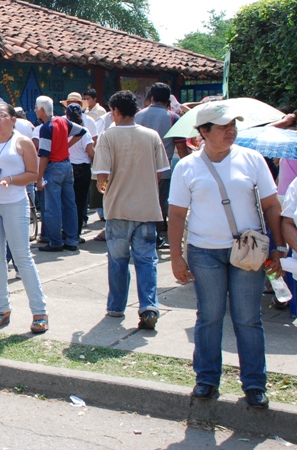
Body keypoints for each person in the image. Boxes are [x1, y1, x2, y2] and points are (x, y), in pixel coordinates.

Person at [168, 103, 284, 409]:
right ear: (204, 132)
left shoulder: (252, 159)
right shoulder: (187, 167)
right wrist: (176, 256)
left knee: (248, 318)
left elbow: (272, 205)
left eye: (233, 125)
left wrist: (279, 247)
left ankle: (254, 383)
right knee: (210, 316)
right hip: (204, 252)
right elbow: (176, 214)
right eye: (223, 127)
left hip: (248, 251)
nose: (231, 131)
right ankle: (206, 379)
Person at [93, 90, 170, 330]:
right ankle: (149, 306)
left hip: (118, 208)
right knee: (146, 261)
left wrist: (104, 188)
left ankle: (116, 306)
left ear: (116, 111)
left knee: (118, 261)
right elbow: (160, 173)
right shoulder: (151, 136)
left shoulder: (107, 136)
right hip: (147, 209)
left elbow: (102, 175)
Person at [0, 101, 49, 332]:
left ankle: (39, 311)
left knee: (22, 257)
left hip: (14, 203)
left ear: (13, 120)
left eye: (2, 115)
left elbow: (33, 174)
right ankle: (1, 308)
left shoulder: (22, 142)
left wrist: (11, 180)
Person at [135, 82, 190, 248]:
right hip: (162, 170)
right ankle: (154, 238)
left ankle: (139, 236)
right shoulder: (173, 118)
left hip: (138, 168)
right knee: (158, 204)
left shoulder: (137, 116)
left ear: (151, 98)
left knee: (140, 202)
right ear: (168, 100)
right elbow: (181, 147)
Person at [34, 95, 86, 252]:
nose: (35, 111)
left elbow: (44, 155)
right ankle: (72, 239)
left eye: (36, 108)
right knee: (70, 204)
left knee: (53, 208)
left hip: (53, 168)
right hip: (66, 165)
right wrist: (66, 145)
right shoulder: (63, 121)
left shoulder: (46, 128)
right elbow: (82, 131)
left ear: (41, 110)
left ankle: (55, 242)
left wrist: (39, 178)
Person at [65, 104, 94, 241]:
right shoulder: (84, 132)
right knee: (80, 203)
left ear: (67, 116)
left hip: (68, 167)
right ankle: (75, 233)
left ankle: (66, 231)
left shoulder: (65, 130)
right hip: (82, 169)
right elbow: (91, 152)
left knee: (67, 202)